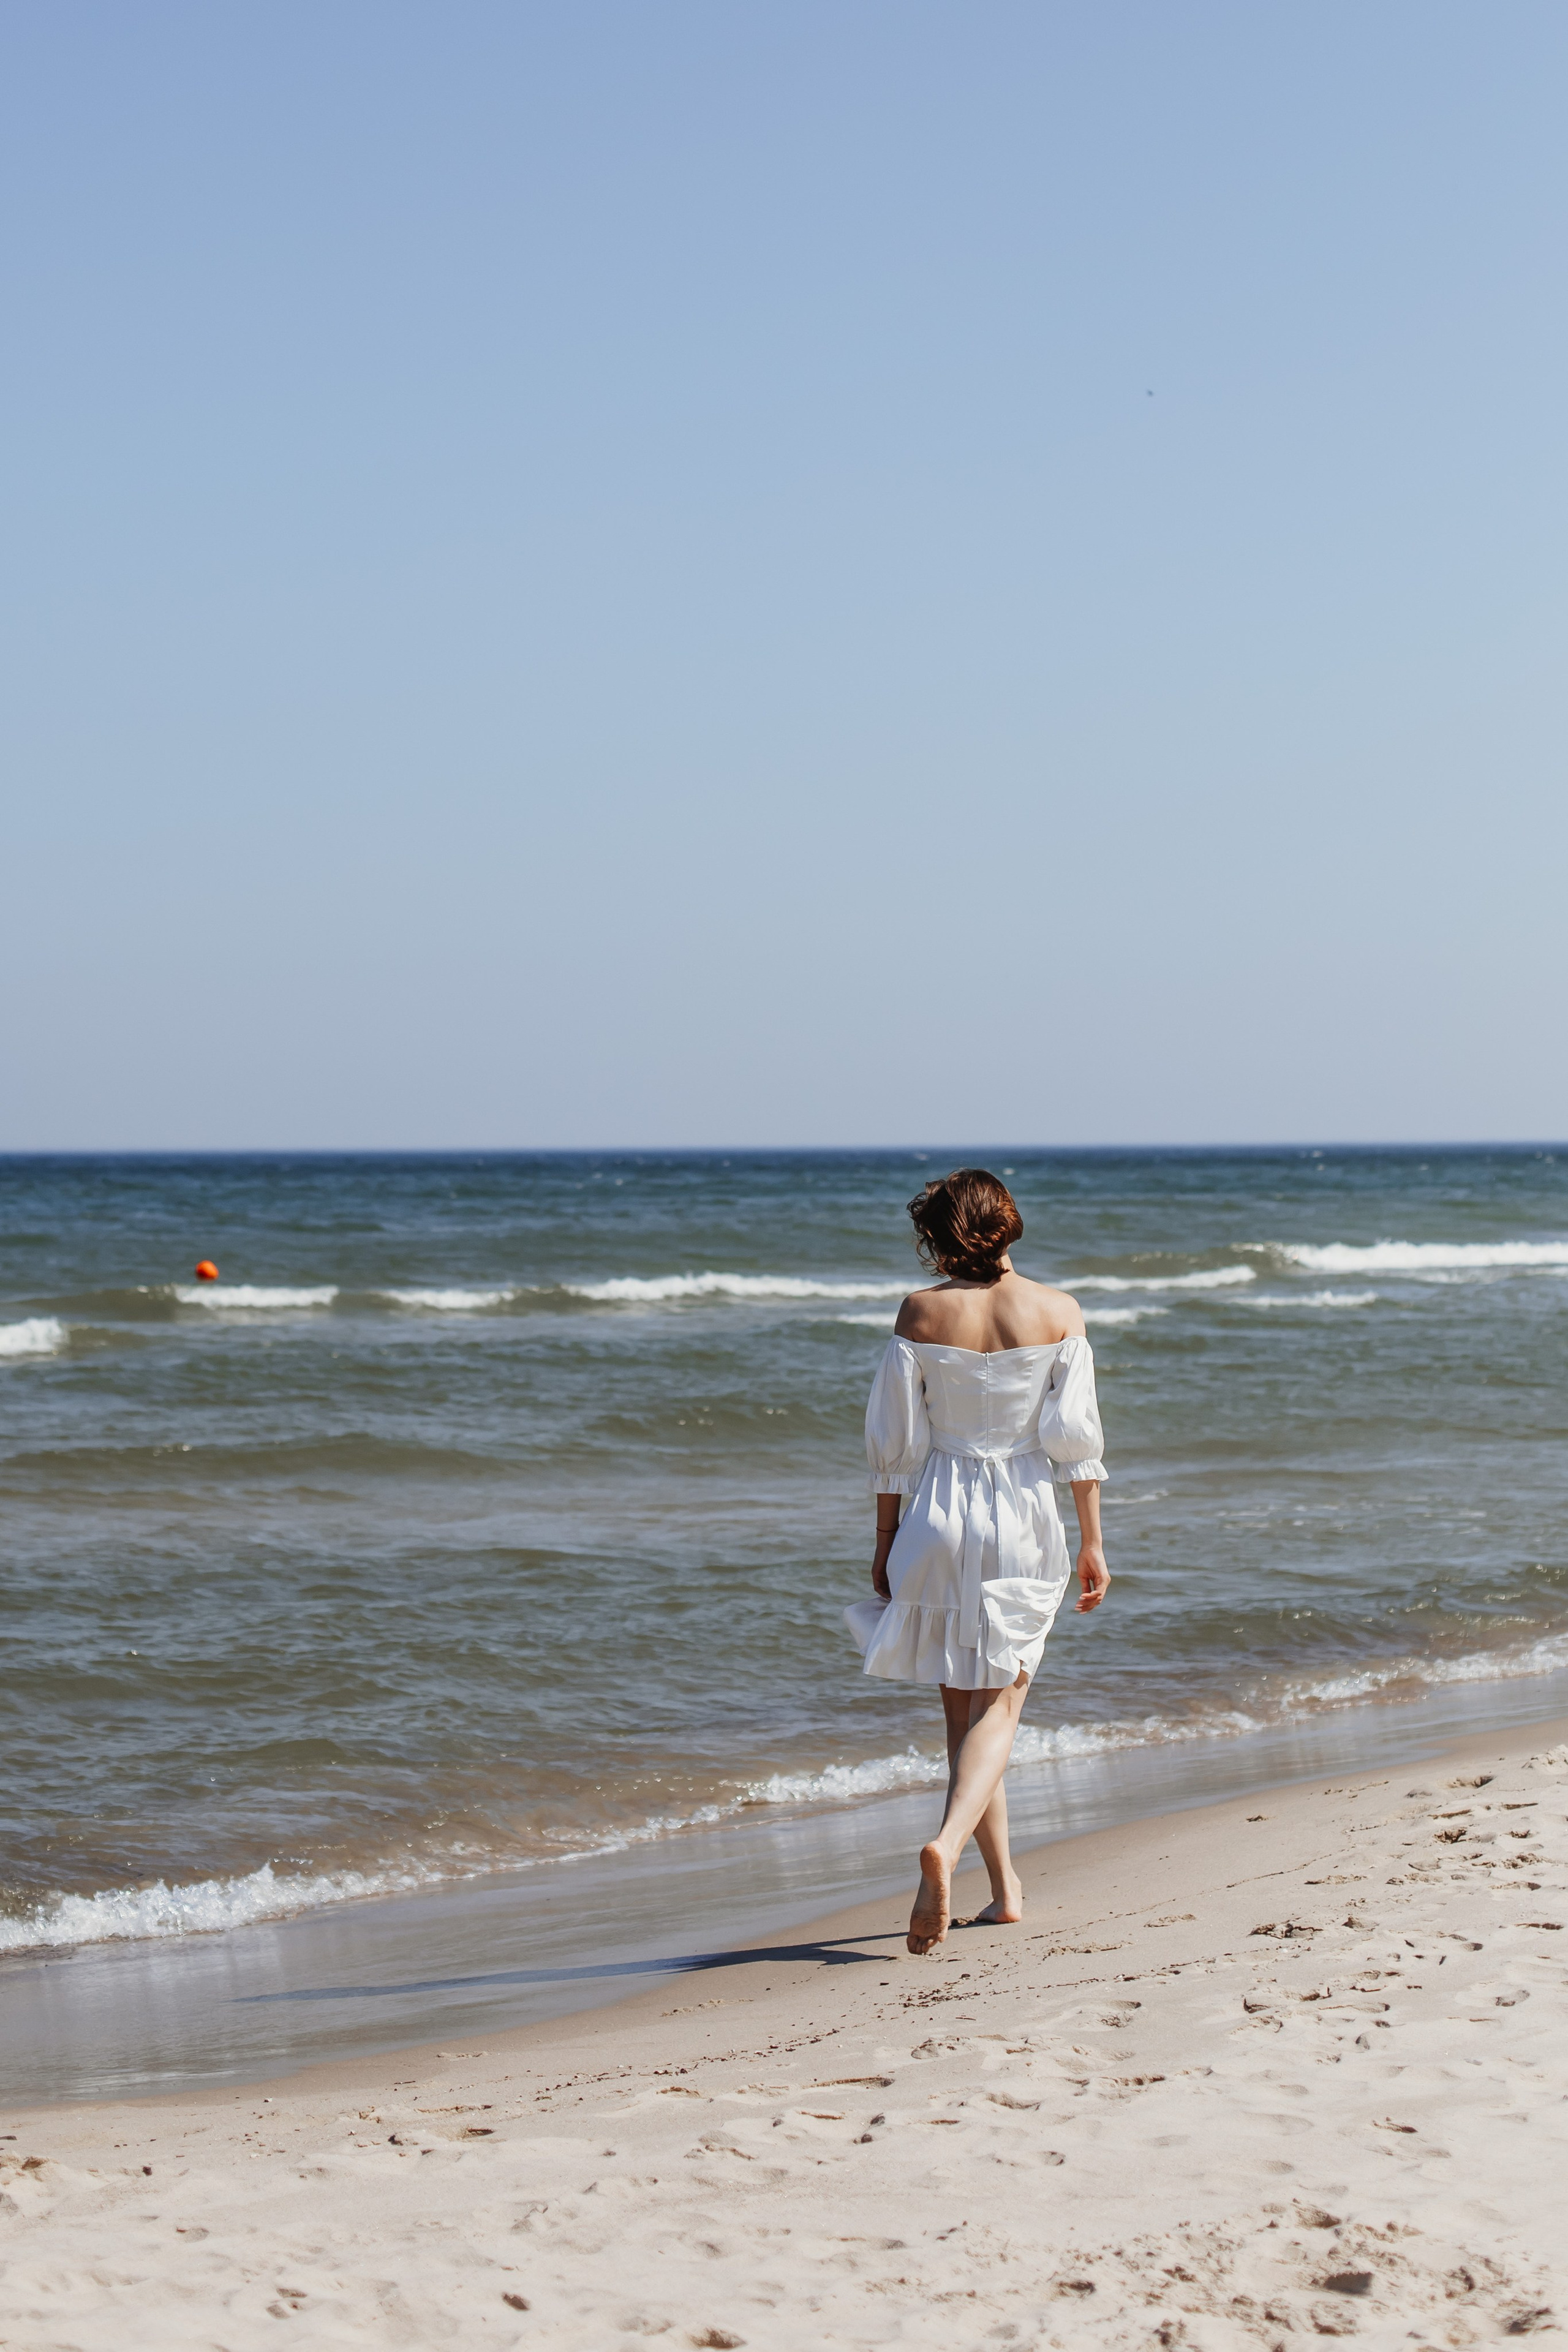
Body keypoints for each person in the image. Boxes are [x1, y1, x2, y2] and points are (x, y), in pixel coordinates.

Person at [845, 1168, 1110, 1954]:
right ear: (1008, 1221)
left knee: (961, 1715)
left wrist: (885, 1541)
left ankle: (1003, 1892)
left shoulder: (919, 1312)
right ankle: (948, 1845)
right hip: (1022, 1512)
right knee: (1003, 1703)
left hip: (938, 1512)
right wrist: (1092, 1540)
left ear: (937, 1235)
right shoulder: (1058, 1311)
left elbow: (895, 1444)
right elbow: (1076, 1444)